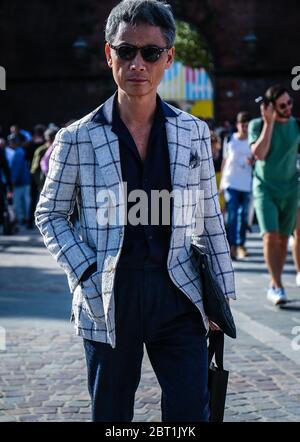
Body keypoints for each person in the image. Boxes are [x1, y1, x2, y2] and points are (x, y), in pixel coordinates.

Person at [35, 0, 235, 422]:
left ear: (169, 58)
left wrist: (221, 300)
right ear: (109, 54)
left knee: (189, 413)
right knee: (111, 416)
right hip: (108, 294)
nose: (137, 63)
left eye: (150, 52)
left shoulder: (193, 131)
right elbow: (49, 213)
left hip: (178, 292)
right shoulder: (77, 137)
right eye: (126, 51)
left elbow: (208, 217)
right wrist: (87, 271)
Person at [249, 85, 300, 305]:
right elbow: (259, 154)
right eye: (282, 105)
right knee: (270, 236)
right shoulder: (257, 125)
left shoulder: (296, 125)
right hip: (265, 188)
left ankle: (275, 282)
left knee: (282, 239)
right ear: (270, 107)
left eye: (289, 103)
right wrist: (269, 124)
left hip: (290, 189)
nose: (288, 108)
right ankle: (277, 285)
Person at [220, 112, 253, 260]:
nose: (245, 128)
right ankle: (232, 245)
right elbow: (225, 161)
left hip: (246, 184)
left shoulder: (253, 140)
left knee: (243, 215)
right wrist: (221, 183)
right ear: (238, 125)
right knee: (232, 215)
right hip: (231, 182)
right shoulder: (230, 139)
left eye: (247, 125)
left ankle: (241, 245)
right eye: (242, 124)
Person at [9, 134, 31, 227]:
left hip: (19, 182)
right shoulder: (20, 151)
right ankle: (25, 218)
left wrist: (13, 181)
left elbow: (17, 169)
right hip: (25, 180)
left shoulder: (18, 153)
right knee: (25, 201)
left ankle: (18, 219)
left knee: (18, 202)